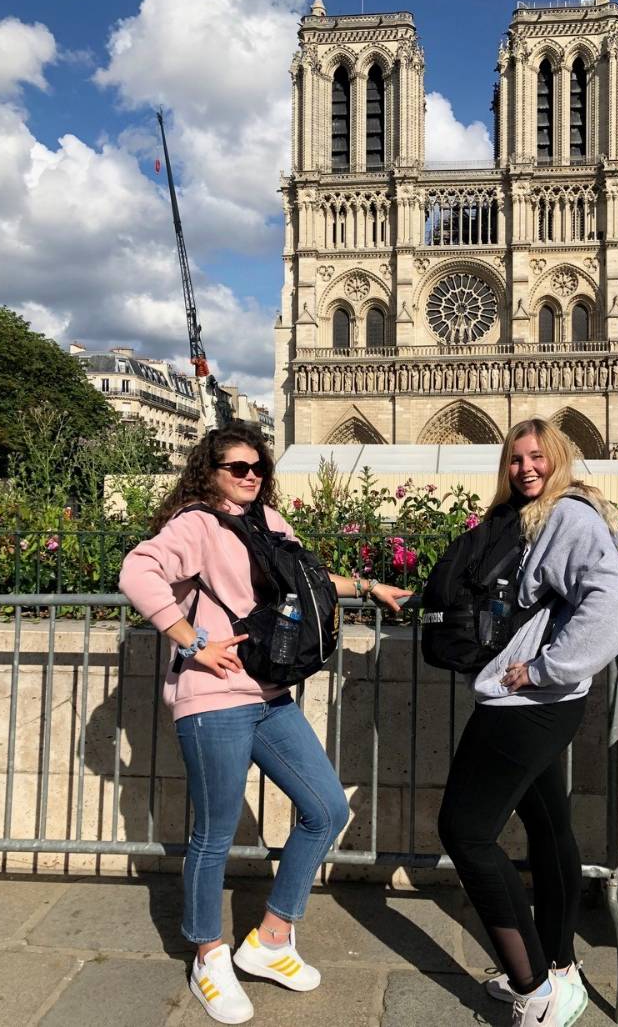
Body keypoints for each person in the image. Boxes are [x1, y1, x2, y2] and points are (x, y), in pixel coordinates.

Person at [120, 421, 410, 1025]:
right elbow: (137, 571)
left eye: (258, 467)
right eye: (237, 467)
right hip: (213, 698)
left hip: (270, 694)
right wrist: (192, 640)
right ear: (211, 471)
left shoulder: (269, 522)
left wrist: (368, 586)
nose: (251, 475)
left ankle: (272, 939)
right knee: (215, 834)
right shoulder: (197, 524)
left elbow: (307, 581)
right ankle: (207, 955)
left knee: (326, 808)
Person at [437, 417, 618, 1027]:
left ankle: (537, 989)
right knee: (550, 829)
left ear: (558, 459)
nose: (525, 468)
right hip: (538, 705)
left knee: (466, 833)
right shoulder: (530, 517)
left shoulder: (567, 517)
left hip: (526, 707)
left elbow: (616, 608)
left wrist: (547, 668)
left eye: (536, 457)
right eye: (515, 458)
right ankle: (558, 966)